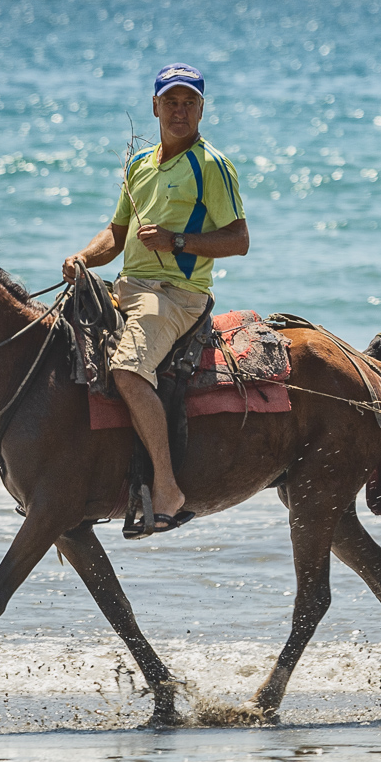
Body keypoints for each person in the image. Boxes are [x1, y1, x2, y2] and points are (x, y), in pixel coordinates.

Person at [63, 63, 248, 536]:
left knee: (127, 369)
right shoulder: (139, 165)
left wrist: (177, 241)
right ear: (155, 107)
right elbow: (116, 233)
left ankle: (166, 487)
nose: (179, 111)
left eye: (189, 103)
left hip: (175, 295)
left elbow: (239, 239)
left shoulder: (211, 166)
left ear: (202, 109)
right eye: (171, 102)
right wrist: (85, 257)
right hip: (127, 286)